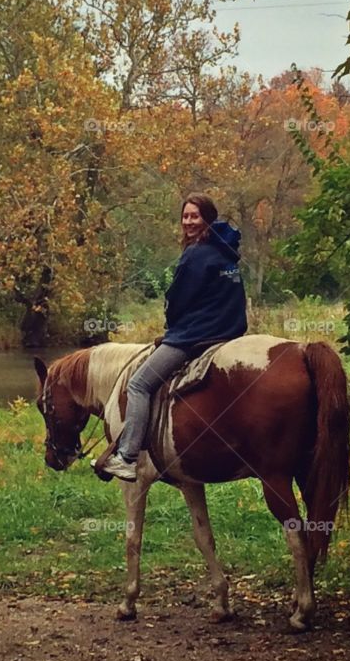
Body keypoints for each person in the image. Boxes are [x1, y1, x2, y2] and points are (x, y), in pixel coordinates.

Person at [97, 191, 249, 481]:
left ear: (208, 218)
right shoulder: (226, 254)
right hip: (229, 333)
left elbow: (178, 300)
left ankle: (127, 456)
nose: (189, 222)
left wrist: (174, 327)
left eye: (195, 216)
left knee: (139, 384)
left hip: (196, 335)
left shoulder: (195, 254)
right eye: (185, 216)